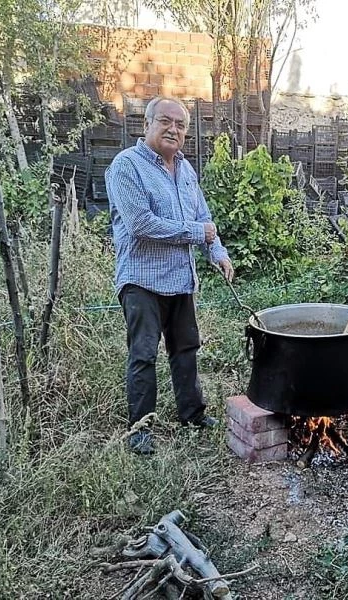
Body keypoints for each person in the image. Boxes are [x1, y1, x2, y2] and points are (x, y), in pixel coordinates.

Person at [105, 96, 234, 454]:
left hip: (180, 279)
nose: (173, 129)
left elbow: (204, 219)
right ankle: (141, 428)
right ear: (146, 124)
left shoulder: (186, 170)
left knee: (186, 349)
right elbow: (141, 224)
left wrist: (217, 253)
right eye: (165, 121)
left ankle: (192, 414)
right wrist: (198, 234)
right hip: (142, 280)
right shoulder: (126, 166)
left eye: (180, 125)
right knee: (144, 354)